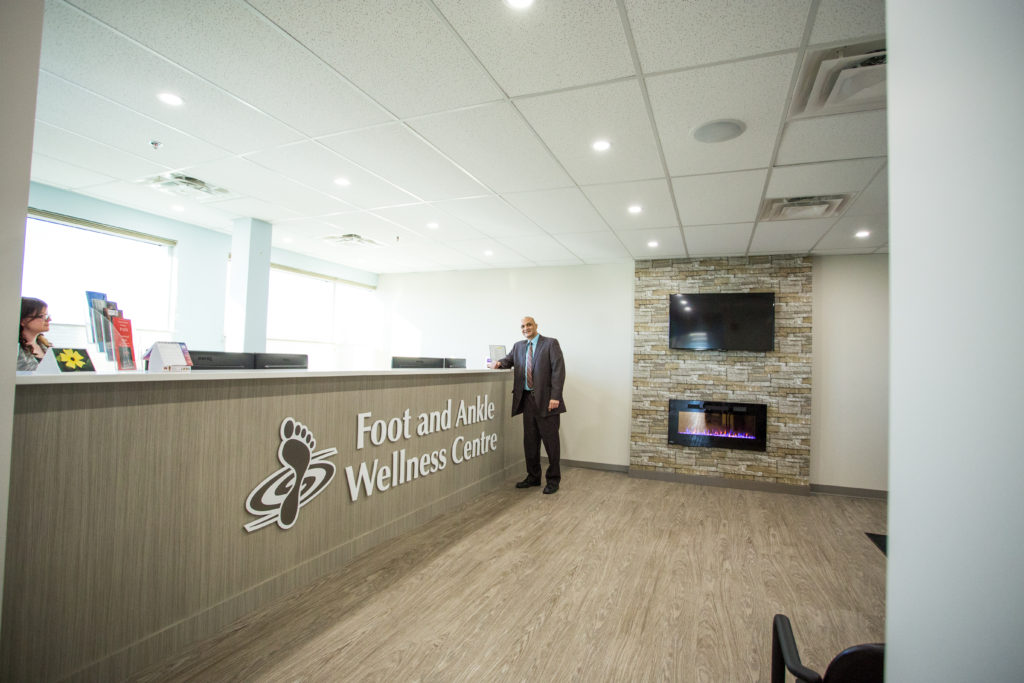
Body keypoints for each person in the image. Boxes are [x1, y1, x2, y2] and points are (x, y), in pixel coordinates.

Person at [488, 316, 566, 494]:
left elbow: (558, 371)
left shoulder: (550, 344)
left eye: (529, 325)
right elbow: (508, 360)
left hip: (547, 401)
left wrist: (556, 396)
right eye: (523, 326)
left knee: (551, 442)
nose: (526, 328)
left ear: (536, 326)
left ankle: (553, 480)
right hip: (527, 400)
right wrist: (498, 363)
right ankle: (533, 477)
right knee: (530, 442)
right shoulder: (518, 346)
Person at [18, 297, 52, 371]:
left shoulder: (47, 347)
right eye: (42, 316)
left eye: (47, 316)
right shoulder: (13, 349)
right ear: (23, 320)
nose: (49, 320)